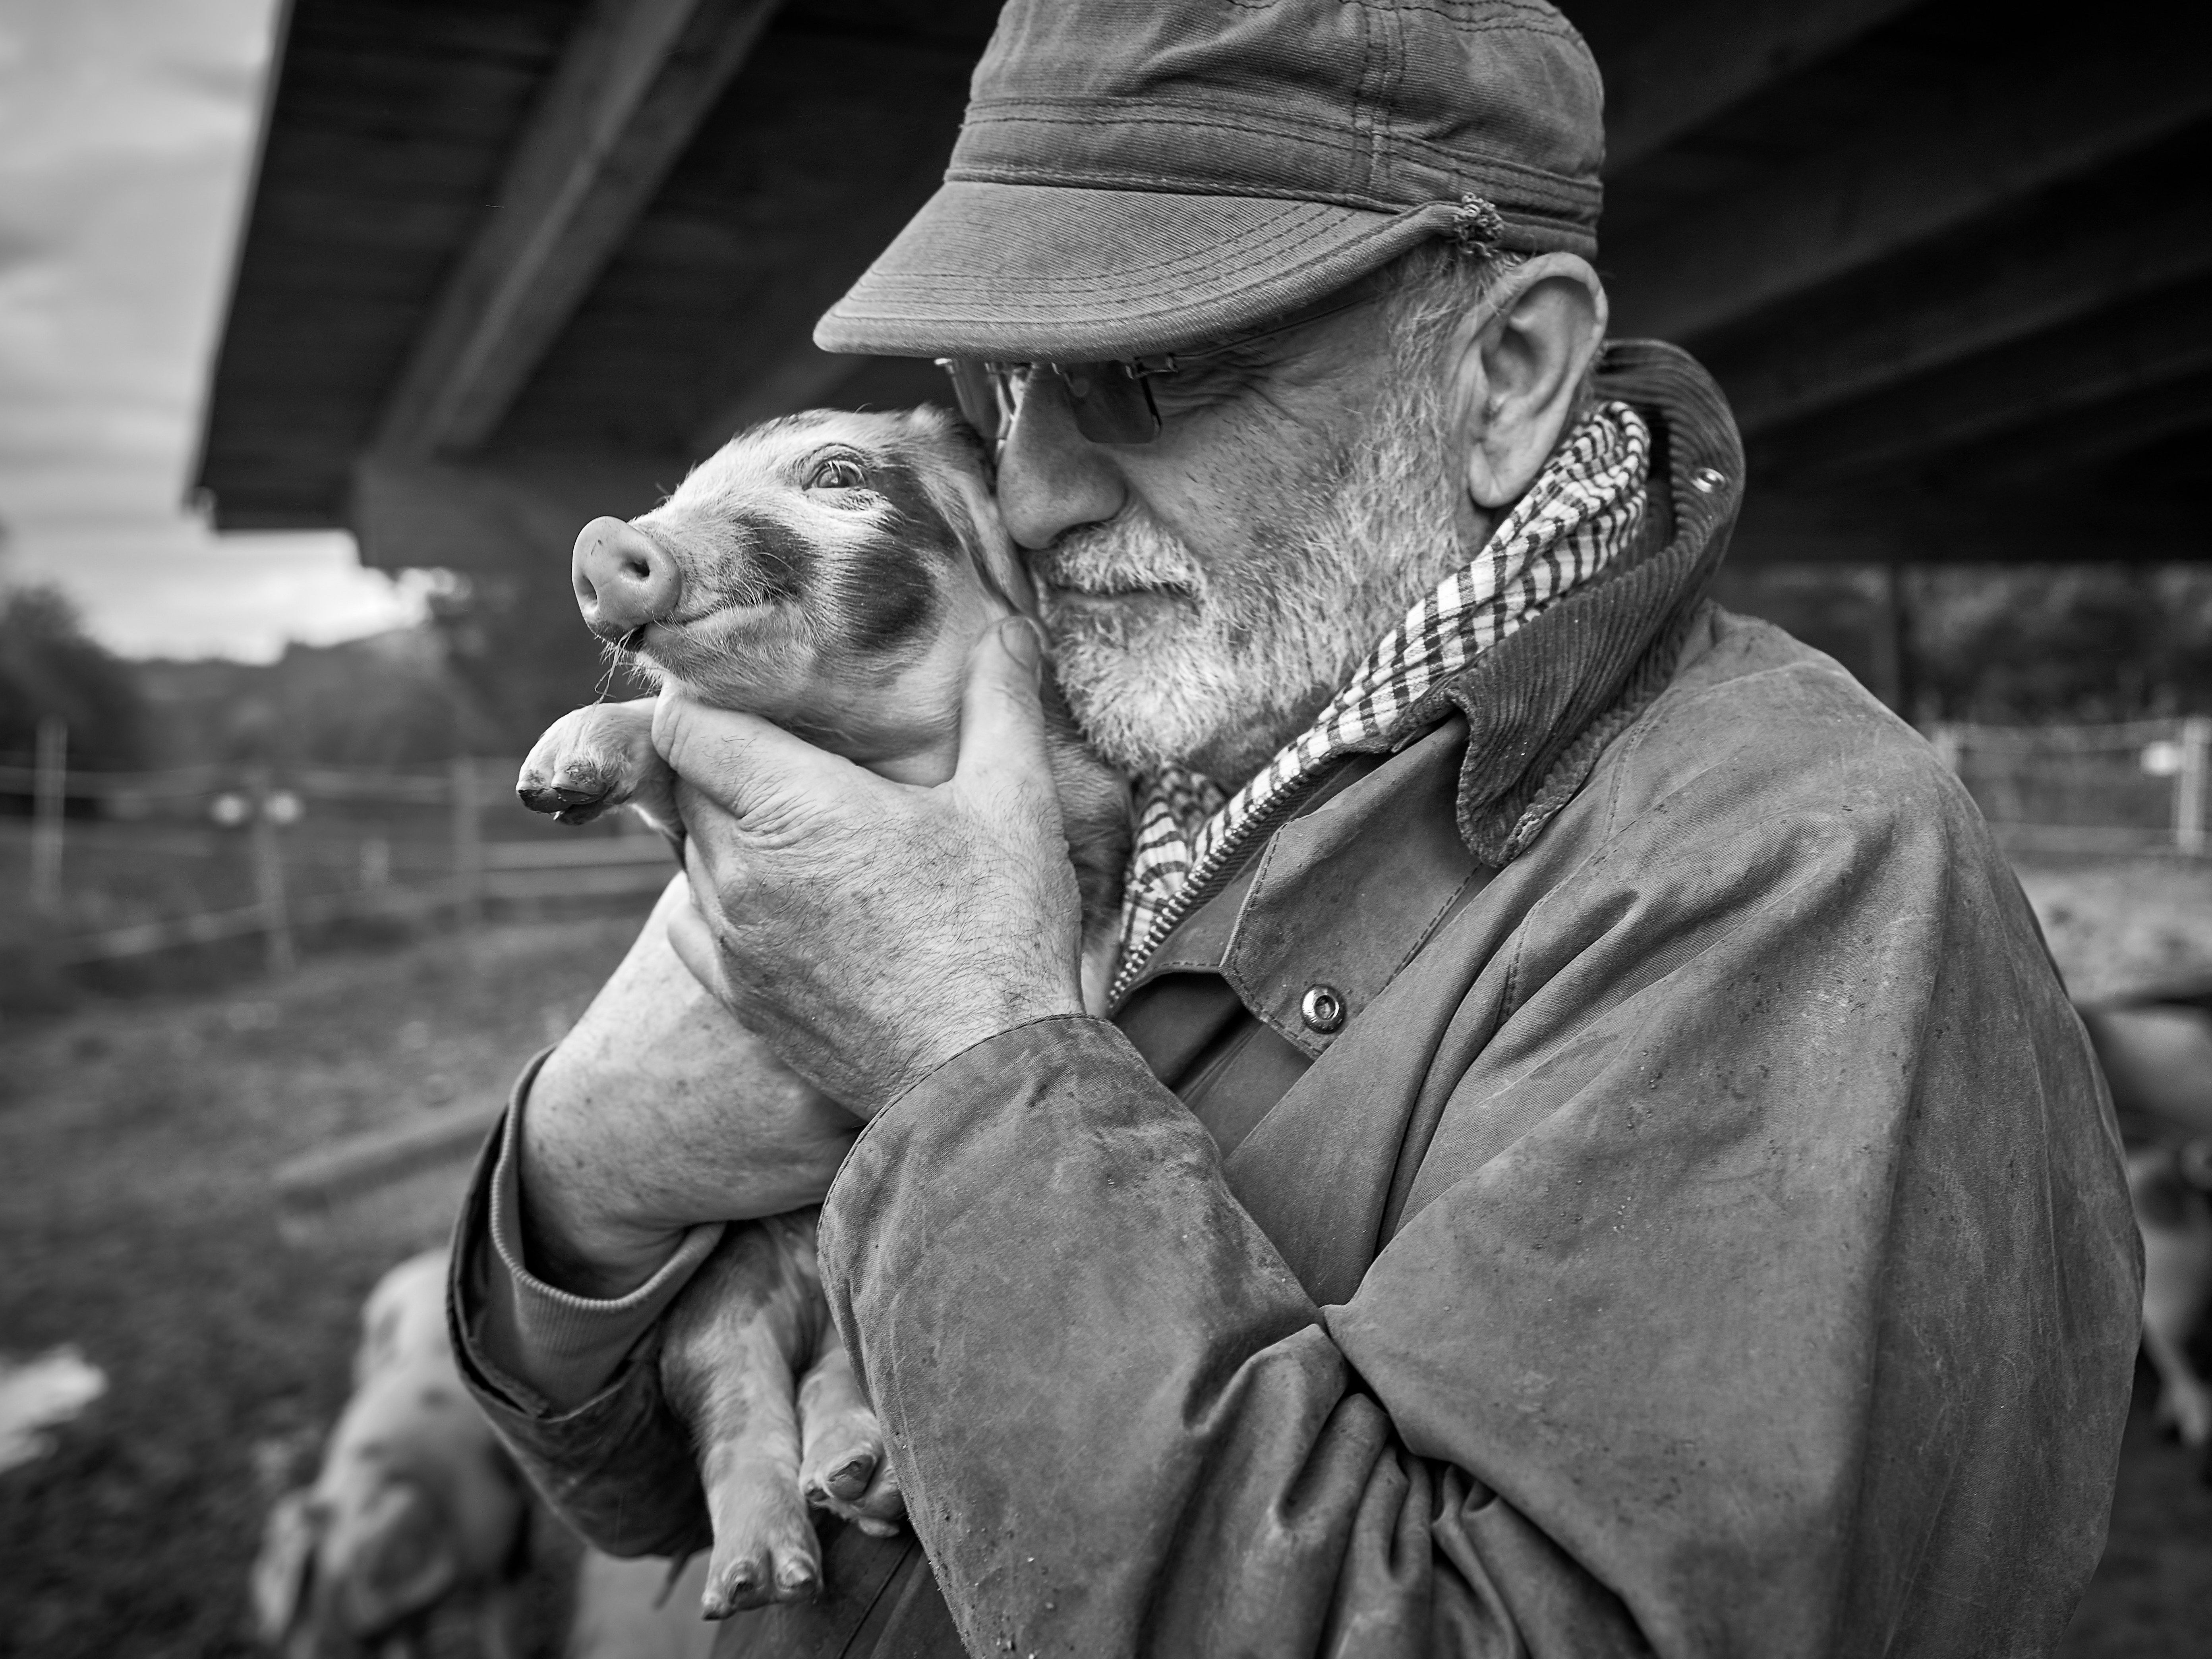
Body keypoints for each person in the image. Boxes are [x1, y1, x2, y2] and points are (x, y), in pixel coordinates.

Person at [448, 2, 2144, 1653]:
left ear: (1505, 377)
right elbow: (673, 1500)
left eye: (1150, 376)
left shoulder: (1797, 866)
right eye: (1001, 383)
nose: (1030, 494)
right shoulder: (1152, 733)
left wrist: (962, 1063)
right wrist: (585, 1173)